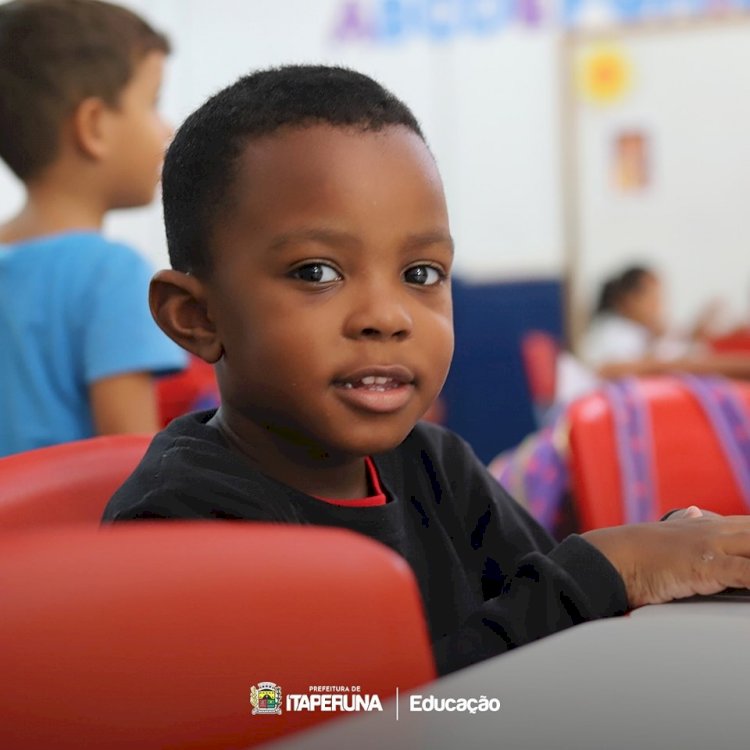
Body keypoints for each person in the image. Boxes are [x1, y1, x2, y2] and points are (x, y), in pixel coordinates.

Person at [104, 65, 750, 676]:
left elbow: (546, 612)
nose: (388, 317)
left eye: (421, 275)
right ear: (197, 316)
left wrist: (655, 560)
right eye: (316, 273)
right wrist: (605, 569)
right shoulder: (184, 524)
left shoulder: (435, 464)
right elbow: (325, 713)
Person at [0, 0, 185, 456]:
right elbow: (132, 462)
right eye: (153, 102)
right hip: (71, 526)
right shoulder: (111, 273)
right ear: (94, 126)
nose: (168, 127)